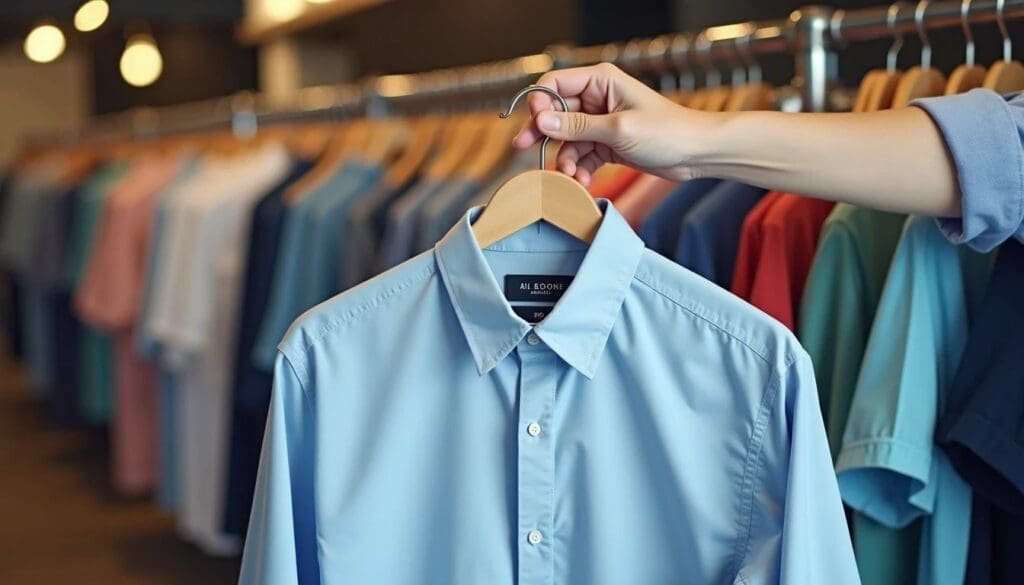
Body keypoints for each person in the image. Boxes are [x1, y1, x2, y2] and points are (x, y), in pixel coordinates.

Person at [513, 62, 1024, 252]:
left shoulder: (798, 230)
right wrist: (693, 143)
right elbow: (998, 156)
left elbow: (996, 158)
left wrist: (695, 142)